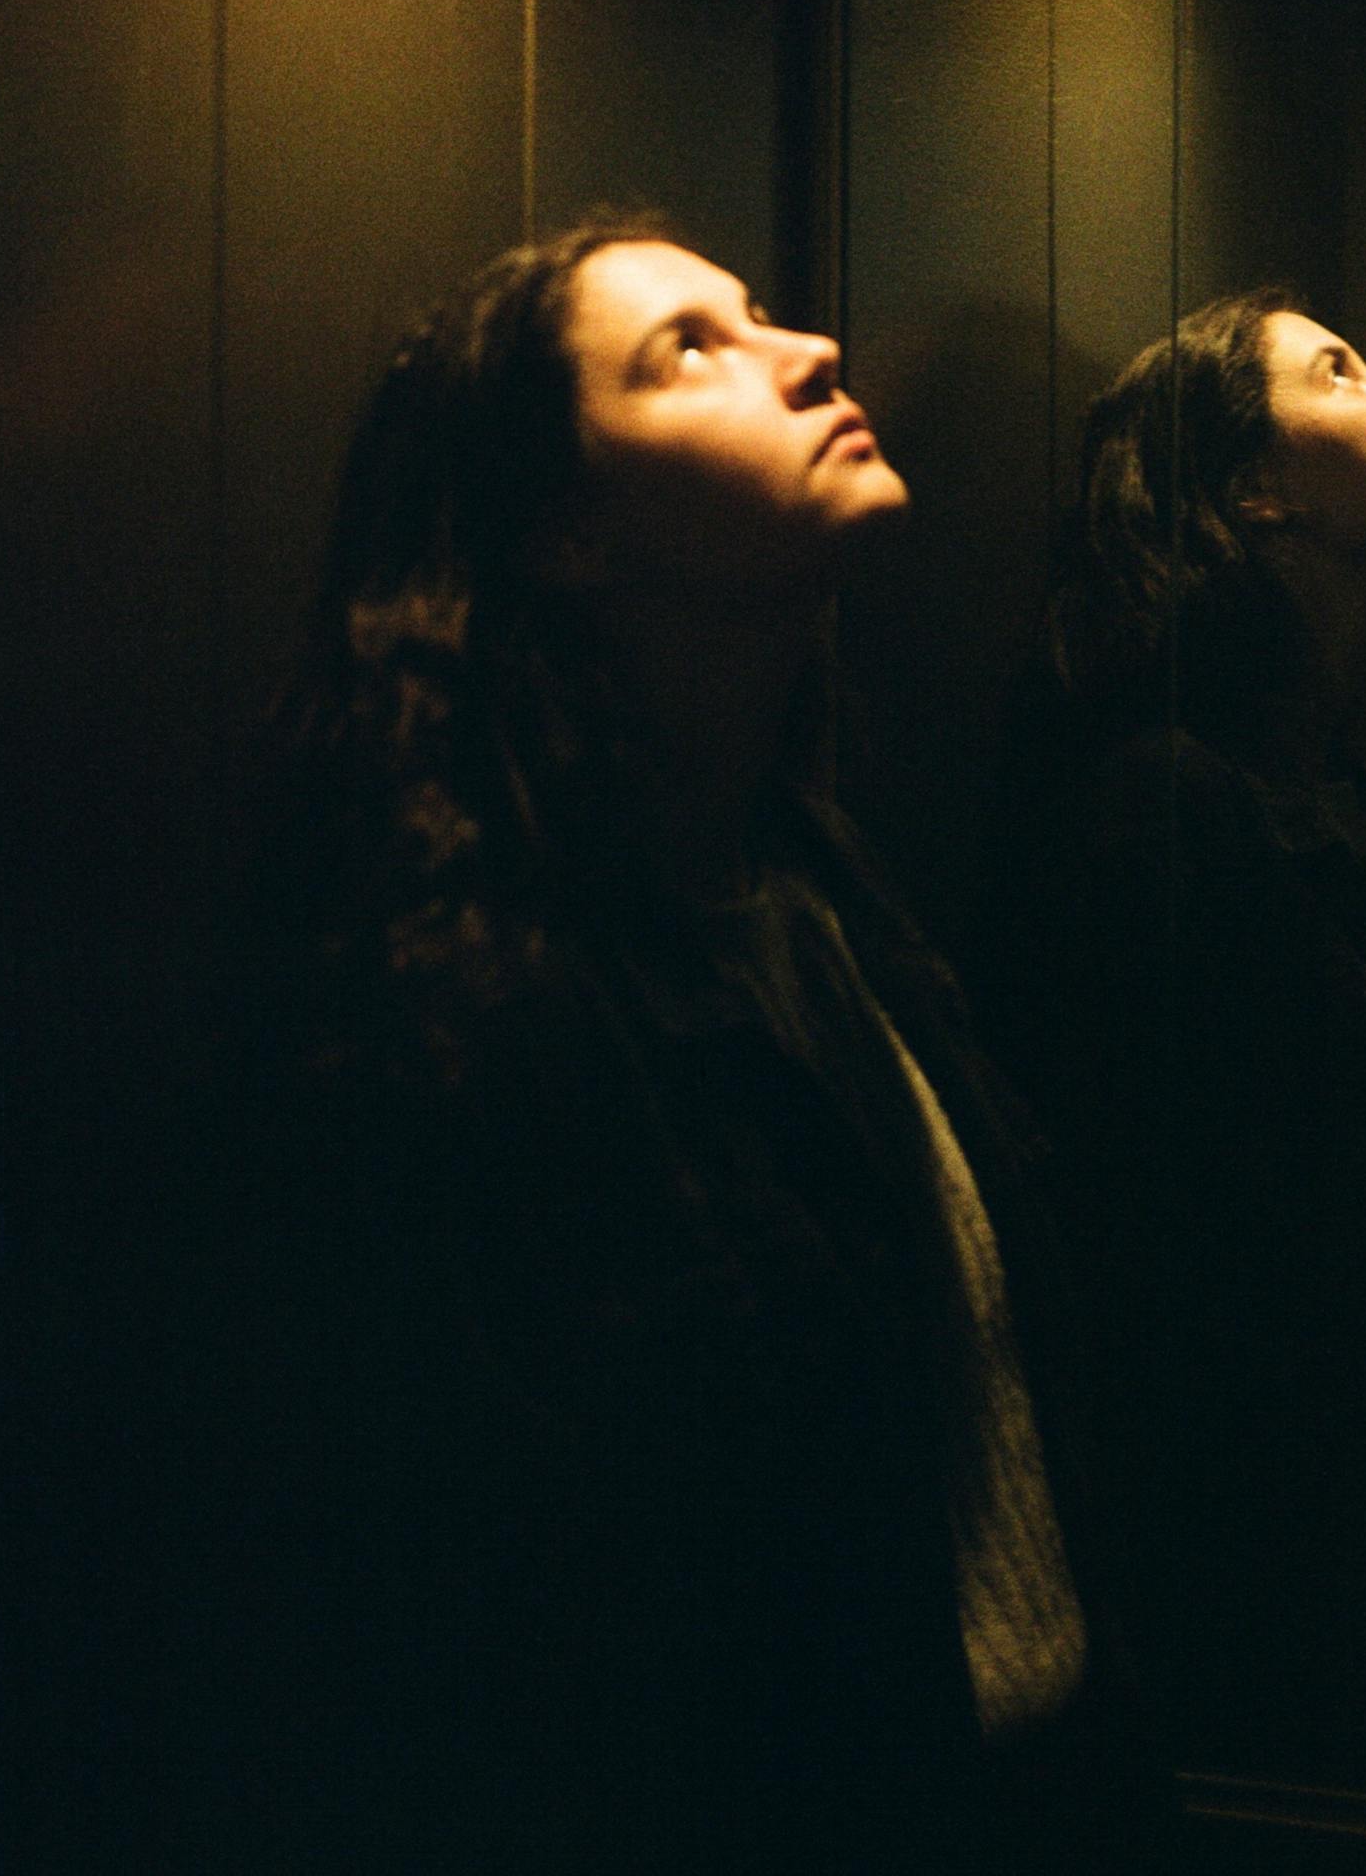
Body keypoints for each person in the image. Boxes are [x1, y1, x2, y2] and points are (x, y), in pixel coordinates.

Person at [202, 218, 1175, 1876]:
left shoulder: (818, 898)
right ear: (566, 530)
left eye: (761, 313)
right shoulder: (475, 997)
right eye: (690, 348)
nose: (807, 352)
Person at [985, 289, 1366, 1798]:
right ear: (1255, 489)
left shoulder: (1330, 786)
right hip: (1303, 1653)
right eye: (1340, 367)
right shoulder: (1165, 809)